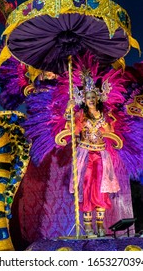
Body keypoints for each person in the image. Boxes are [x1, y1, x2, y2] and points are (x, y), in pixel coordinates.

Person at [64, 79, 121, 237]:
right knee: (87, 188)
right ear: (83, 99)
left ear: (98, 99)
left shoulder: (104, 116)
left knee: (101, 189)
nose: (90, 100)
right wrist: (68, 111)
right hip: (86, 155)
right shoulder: (80, 115)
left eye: (93, 97)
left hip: (101, 156)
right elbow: (72, 129)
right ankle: (88, 227)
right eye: (87, 97)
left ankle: (100, 225)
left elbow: (110, 133)